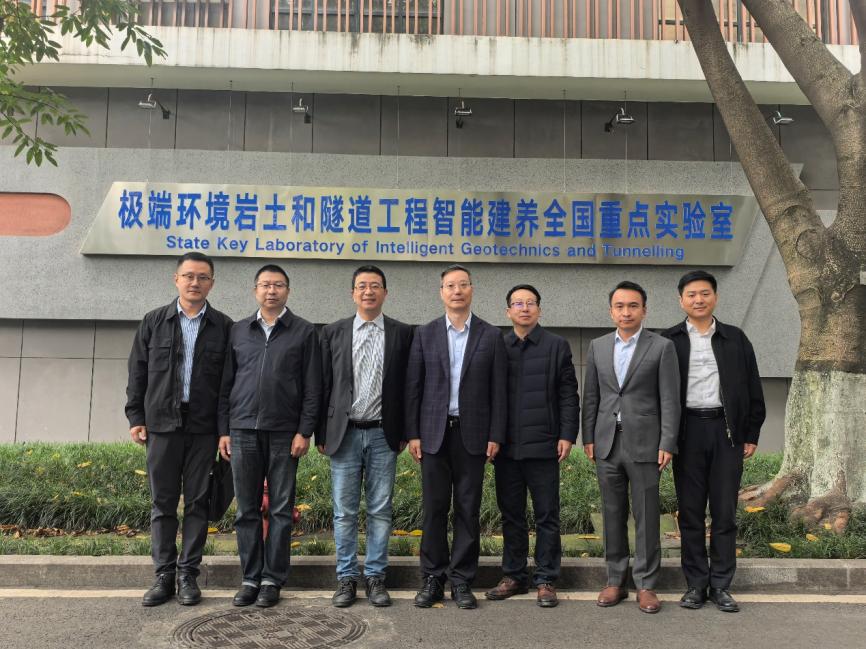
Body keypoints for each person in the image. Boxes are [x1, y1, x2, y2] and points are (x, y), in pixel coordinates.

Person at [126, 252, 233, 607]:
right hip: (162, 424)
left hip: (203, 428)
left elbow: (228, 385)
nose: (195, 283)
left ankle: (188, 574)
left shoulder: (224, 326)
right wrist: (136, 417)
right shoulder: (154, 321)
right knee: (163, 503)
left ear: (211, 283)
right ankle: (163, 575)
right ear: (176, 279)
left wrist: (224, 429)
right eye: (188, 276)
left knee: (199, 502)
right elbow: (138, 372)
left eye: (202, 277)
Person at [218, 264, 321, 609]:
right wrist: (224, 430)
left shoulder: (304, 331)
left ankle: (272, 579)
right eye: (265, 285)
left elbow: (313, 387)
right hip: (242, 430)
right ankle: (250, 577)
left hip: (283, 433)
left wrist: (304, 431)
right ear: (255, 291)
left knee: (280, 509)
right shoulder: (238, 331)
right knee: (246, 509)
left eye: (278, 285)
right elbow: (225, 385)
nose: (271, 291)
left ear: (287, 291)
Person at [405, 264, 507, 610]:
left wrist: (495, 434)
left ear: (471, 290)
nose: (457, 291)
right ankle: (433, 578)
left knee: (468, 508)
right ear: (442, 292)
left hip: (473, 434)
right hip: (433, 434)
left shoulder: (490, 335)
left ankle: (462, 580)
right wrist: (413, 433)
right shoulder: (425, 333)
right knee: (434, 508)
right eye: (450, 285)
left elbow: (499, 391)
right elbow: (414, 386)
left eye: (463, 284)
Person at [662, 269, 765, 613]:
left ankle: (721, 584)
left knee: (724, 512)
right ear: (681, 300)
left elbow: (753, 387)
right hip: (687, 432)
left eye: (705, 293)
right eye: (691, 294)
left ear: (715, 297)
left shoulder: (735, 338)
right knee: (690, 511)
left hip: (726, 431)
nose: (699, 300)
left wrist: (751, 433)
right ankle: (696, 583)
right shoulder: (669, 340)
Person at [317, 265, 414, 608]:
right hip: (344, 435)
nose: (368, 291)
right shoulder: (333, 332)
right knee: (344, 512)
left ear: (385, 293)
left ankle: (375, 577)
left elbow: (409, 387)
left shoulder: (402, 333)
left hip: (383, 435)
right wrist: (320, 432)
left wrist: (406, 431)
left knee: (380, 510)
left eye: (375, 286)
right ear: (353, 293)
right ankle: (346, 578)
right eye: (362, 286)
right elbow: (323, 384)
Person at [582, 280, 680, 614]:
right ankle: (615, 580)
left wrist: (667, 441)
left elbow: (670, 399)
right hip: (607, 442)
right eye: (620, 306)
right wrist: (589, 437)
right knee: (612, 513)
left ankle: (646, 584)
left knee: (647, 514)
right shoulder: (597, 346)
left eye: (633, 306)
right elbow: (591, 396)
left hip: (646, 443)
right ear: (611, 311)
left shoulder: (661, 347)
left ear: (644, 310)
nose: (626, 312)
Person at [485, 284, 579, 608]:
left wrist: (567, 434)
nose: (524, 308)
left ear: (539, 309)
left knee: (547, 516)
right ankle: (513, 576)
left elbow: (568, 395)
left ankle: (546, 579)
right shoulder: (497, 345)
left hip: (544, 446)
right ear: (508, 311)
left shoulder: (556, 346)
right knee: (511, 515)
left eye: (530, 303)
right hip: (507, 448)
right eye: (518, 303)